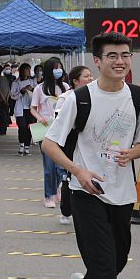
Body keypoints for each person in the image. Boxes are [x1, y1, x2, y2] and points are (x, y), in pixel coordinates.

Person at [42, 33, 140, 279]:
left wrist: (135, 151)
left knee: (116, 263)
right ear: (98, 61)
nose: (120, 61)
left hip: (123, 193)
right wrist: (78, 170)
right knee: (105, 267)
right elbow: (50, 144)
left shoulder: (137, 96)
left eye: (126, 55)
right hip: (86, 193)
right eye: (113, 55)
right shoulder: (79, 98)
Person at [32, 57, 71, 208]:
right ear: (49, 70)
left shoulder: (65, 87)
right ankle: (49, 195)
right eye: (55, 68)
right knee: (49, 167)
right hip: (45, 130)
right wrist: (39, 117)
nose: (58, 70)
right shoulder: (39, 89)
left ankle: (57, 190)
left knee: (60, 166)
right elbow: (33, 108)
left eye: (60, 67)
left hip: (62, 129)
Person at [56, 65, 93, 224]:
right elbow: (59, 124)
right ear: (75, 81)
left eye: (91, 75)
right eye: (86, 76)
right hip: (71, 143)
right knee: (70, 177)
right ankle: (66, 210)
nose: (91, 79)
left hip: (89, 142)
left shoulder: (95, 95)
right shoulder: (66, 97)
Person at [11, 63, 36, 155]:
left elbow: (37, 92)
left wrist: (32, 89)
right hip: (21, 108)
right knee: (22, 127)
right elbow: (13, 96)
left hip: (30, 108)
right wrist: (23, 90)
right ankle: (21, 145)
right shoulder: (16, 82)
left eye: (30, 70)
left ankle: (27, 146)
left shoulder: (33, 81)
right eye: (27, 70)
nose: (29, 72)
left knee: (30, 127)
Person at [0, 63, 12, 135]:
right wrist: (6, 99)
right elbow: (9, 89)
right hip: (6, 99)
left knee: (0, 115)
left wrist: (3, 99)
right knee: (5, 115)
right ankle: (3, 129)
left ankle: (1, 129)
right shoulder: (5, 78)